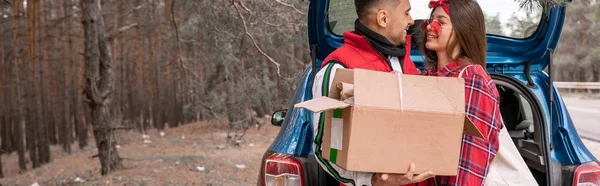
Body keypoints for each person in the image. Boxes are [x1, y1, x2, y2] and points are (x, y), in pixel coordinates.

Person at [311, 0, 435, 185]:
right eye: (406, 13)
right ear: (383, 18)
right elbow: (325, 149)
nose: (411, 21)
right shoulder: (339, 70)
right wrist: (372, 181)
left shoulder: (405, 62)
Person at [417, 0, 502, 185]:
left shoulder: (472, 80)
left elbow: (469, 162)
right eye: (431, 20)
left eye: (441, 21)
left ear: (463, 29)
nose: (430, 26)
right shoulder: (426, 78)